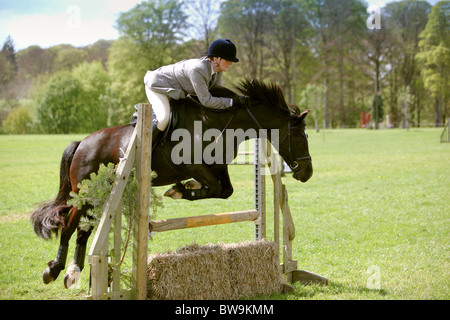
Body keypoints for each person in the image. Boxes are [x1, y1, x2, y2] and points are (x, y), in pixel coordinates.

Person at [138, 39, 241, 148]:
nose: (230, 63)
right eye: (227, 60)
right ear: (216, 59)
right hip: (158, 85)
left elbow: (217, 93)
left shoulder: (217, 71)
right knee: (163, 118)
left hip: (177, 91)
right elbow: (206, 100)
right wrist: (231, 102)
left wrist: (239, 99)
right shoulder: (198, 70)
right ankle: (145, 148)